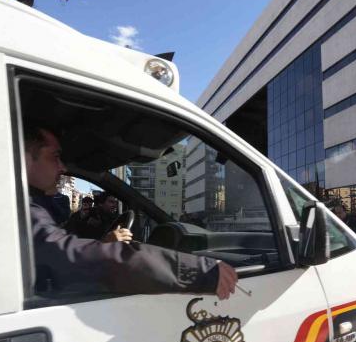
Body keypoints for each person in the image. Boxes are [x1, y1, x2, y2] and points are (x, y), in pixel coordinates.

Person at [24, 124, 237, 299]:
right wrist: (198, 272)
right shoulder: (23, 211)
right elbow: (70, 256)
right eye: (54, 156)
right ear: (24, 159)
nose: (62, 167)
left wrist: (104, 244)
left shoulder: (31, 205)